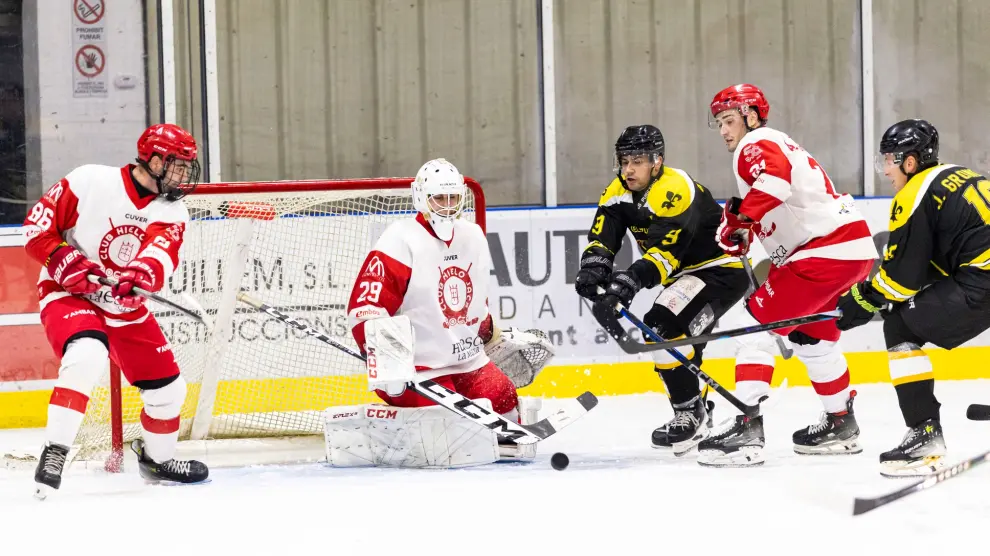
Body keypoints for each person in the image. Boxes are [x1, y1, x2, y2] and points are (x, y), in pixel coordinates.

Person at [24, 123, 208, 498]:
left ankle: (156, 460)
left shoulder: (173, 211)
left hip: (121, 305)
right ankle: (55, 450)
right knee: (87, 353)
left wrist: (139, 276)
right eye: (177, 165)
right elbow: (36, 230)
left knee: (169, 391)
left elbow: (160, 253)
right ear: (153, 160)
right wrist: (67, 261)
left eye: (187, 167)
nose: (183, 176)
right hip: (68, 294)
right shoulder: (88, 181)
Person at [698, 84, 878, 467]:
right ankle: (840, 423)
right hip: (849, 250)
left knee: (752, 326)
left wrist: (741, 220)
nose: (724, 131)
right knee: (812, 341)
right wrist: (745, 228)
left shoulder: (756, 143)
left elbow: (774, 184)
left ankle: (746, 427)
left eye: (729, 120)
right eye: (718, 124)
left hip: (823, 253)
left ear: (751, 115)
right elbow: (784, 200)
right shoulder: (780, 143)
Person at [339, 158, 554, 468]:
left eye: (454, 198)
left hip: (466, 362)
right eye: (439, 198)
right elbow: (364, 308)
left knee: (504, 396)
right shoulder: (400, 239)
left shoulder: (473, 235)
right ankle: (389, 425)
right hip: (417, 371)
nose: (448, 205)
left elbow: (473, 304)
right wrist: (388, 362)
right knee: (451, 426)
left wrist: (490, 334)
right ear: (421, 198)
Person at [576, 124, 770, 456]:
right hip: (685, 278)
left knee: (661, 329)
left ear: (657, 161)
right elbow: (602, 239)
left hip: (722, 271)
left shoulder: (675, 188)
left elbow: (664, 256)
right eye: (624, 161)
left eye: (637, 161)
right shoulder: (617, 191)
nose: (629, 169)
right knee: (663, 331)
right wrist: (593, 269)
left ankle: (691, 413)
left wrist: (628, 283)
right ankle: (693, 411)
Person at [836, 119, 990, 477]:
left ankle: (924, 434)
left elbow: (902, 280)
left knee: (901, 325)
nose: (886, 170)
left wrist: (860, 300)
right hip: (980, 272)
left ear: (911, 161)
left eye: (890, 160)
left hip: (982, 280)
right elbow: (936, 260)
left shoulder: (914, 194)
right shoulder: (960, 174)